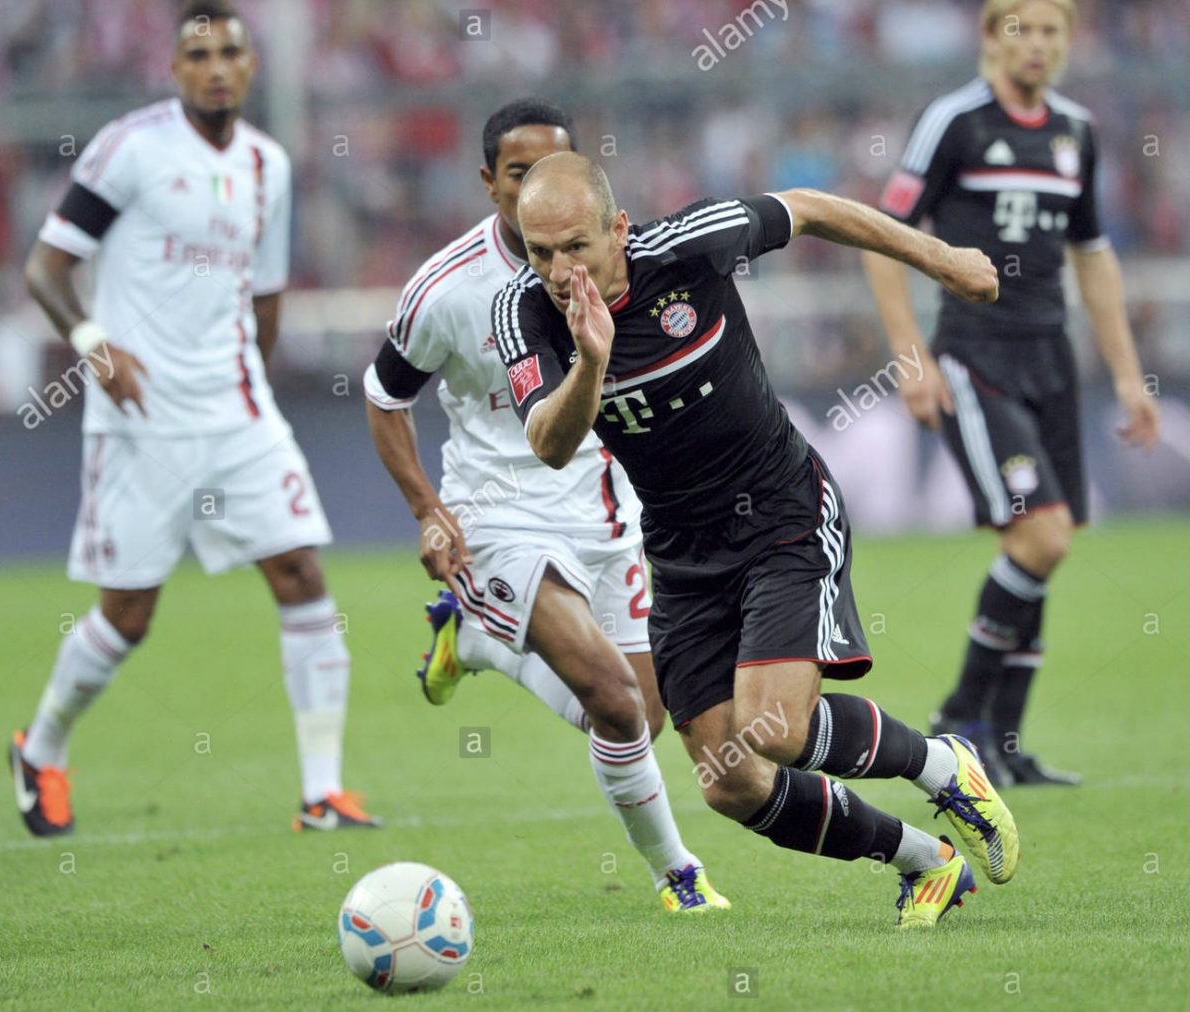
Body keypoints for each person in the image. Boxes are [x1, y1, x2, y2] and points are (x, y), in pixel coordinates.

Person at [492, 150, 1020, 929]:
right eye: (540, 252)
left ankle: (943, 764)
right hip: (680, 553)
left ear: (619, 228)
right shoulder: (524, 313)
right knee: (729, 780)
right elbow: (548, 441)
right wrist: (591, 363)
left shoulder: (691, 245)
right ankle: (925, 862)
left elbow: (811, 207)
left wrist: (941, 259)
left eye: (577, 246)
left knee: (776, 727)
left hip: (781, 513)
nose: (560, 270)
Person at [9, 0, 380, 837]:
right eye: (199, 55)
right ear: (175, 68)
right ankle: (43, 746)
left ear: (251, 66)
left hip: (237, 412)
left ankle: (323, 792)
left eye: (229, 54)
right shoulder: (131, 149)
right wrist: (94, 345)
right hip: (140, 419)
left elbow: (268, 296)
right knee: (128, 613)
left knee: (301, 572)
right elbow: (46, 267)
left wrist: (256, 390)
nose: (216, 69)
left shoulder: (267, 165)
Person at [364, 99, 727, 913]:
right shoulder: (446, 288)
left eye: (551, 168)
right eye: (518, 172)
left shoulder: (612, 257)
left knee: (639, 718)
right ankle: (678, 875)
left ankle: (476, 641)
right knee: (611, 695)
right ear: (489, 181)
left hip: (605, 511)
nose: (536, 185)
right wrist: (428, 510)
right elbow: (384, 396)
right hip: (499, 515)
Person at [861, 0, 1159, 786]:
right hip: (975, 355)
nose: (1039, 44)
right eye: (1022, 28)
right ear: (992, 38)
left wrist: (1127, 375)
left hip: (1052, 359)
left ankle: (1009, 744)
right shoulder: (954, 121)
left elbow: (1093, 254)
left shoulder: (1076, 132)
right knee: (1041, 536)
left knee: (1038, 546)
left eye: (1053, 30)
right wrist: (910, 357)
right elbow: (882, 238)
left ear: (1069, 41)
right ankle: (960, 720)